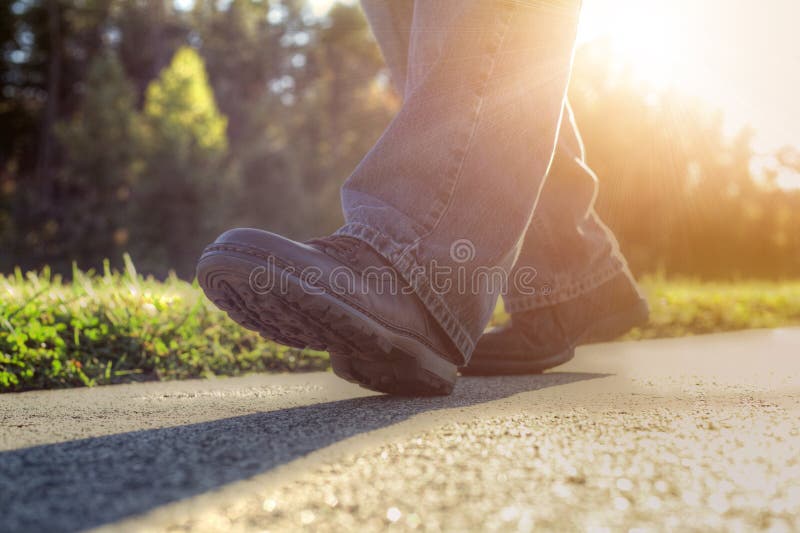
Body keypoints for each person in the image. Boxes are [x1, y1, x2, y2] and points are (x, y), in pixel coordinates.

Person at [197, 0, 648, 396]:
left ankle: (417, 265)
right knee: (440, 36)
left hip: (419, 256)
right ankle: (571, 270)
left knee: (485, 24)